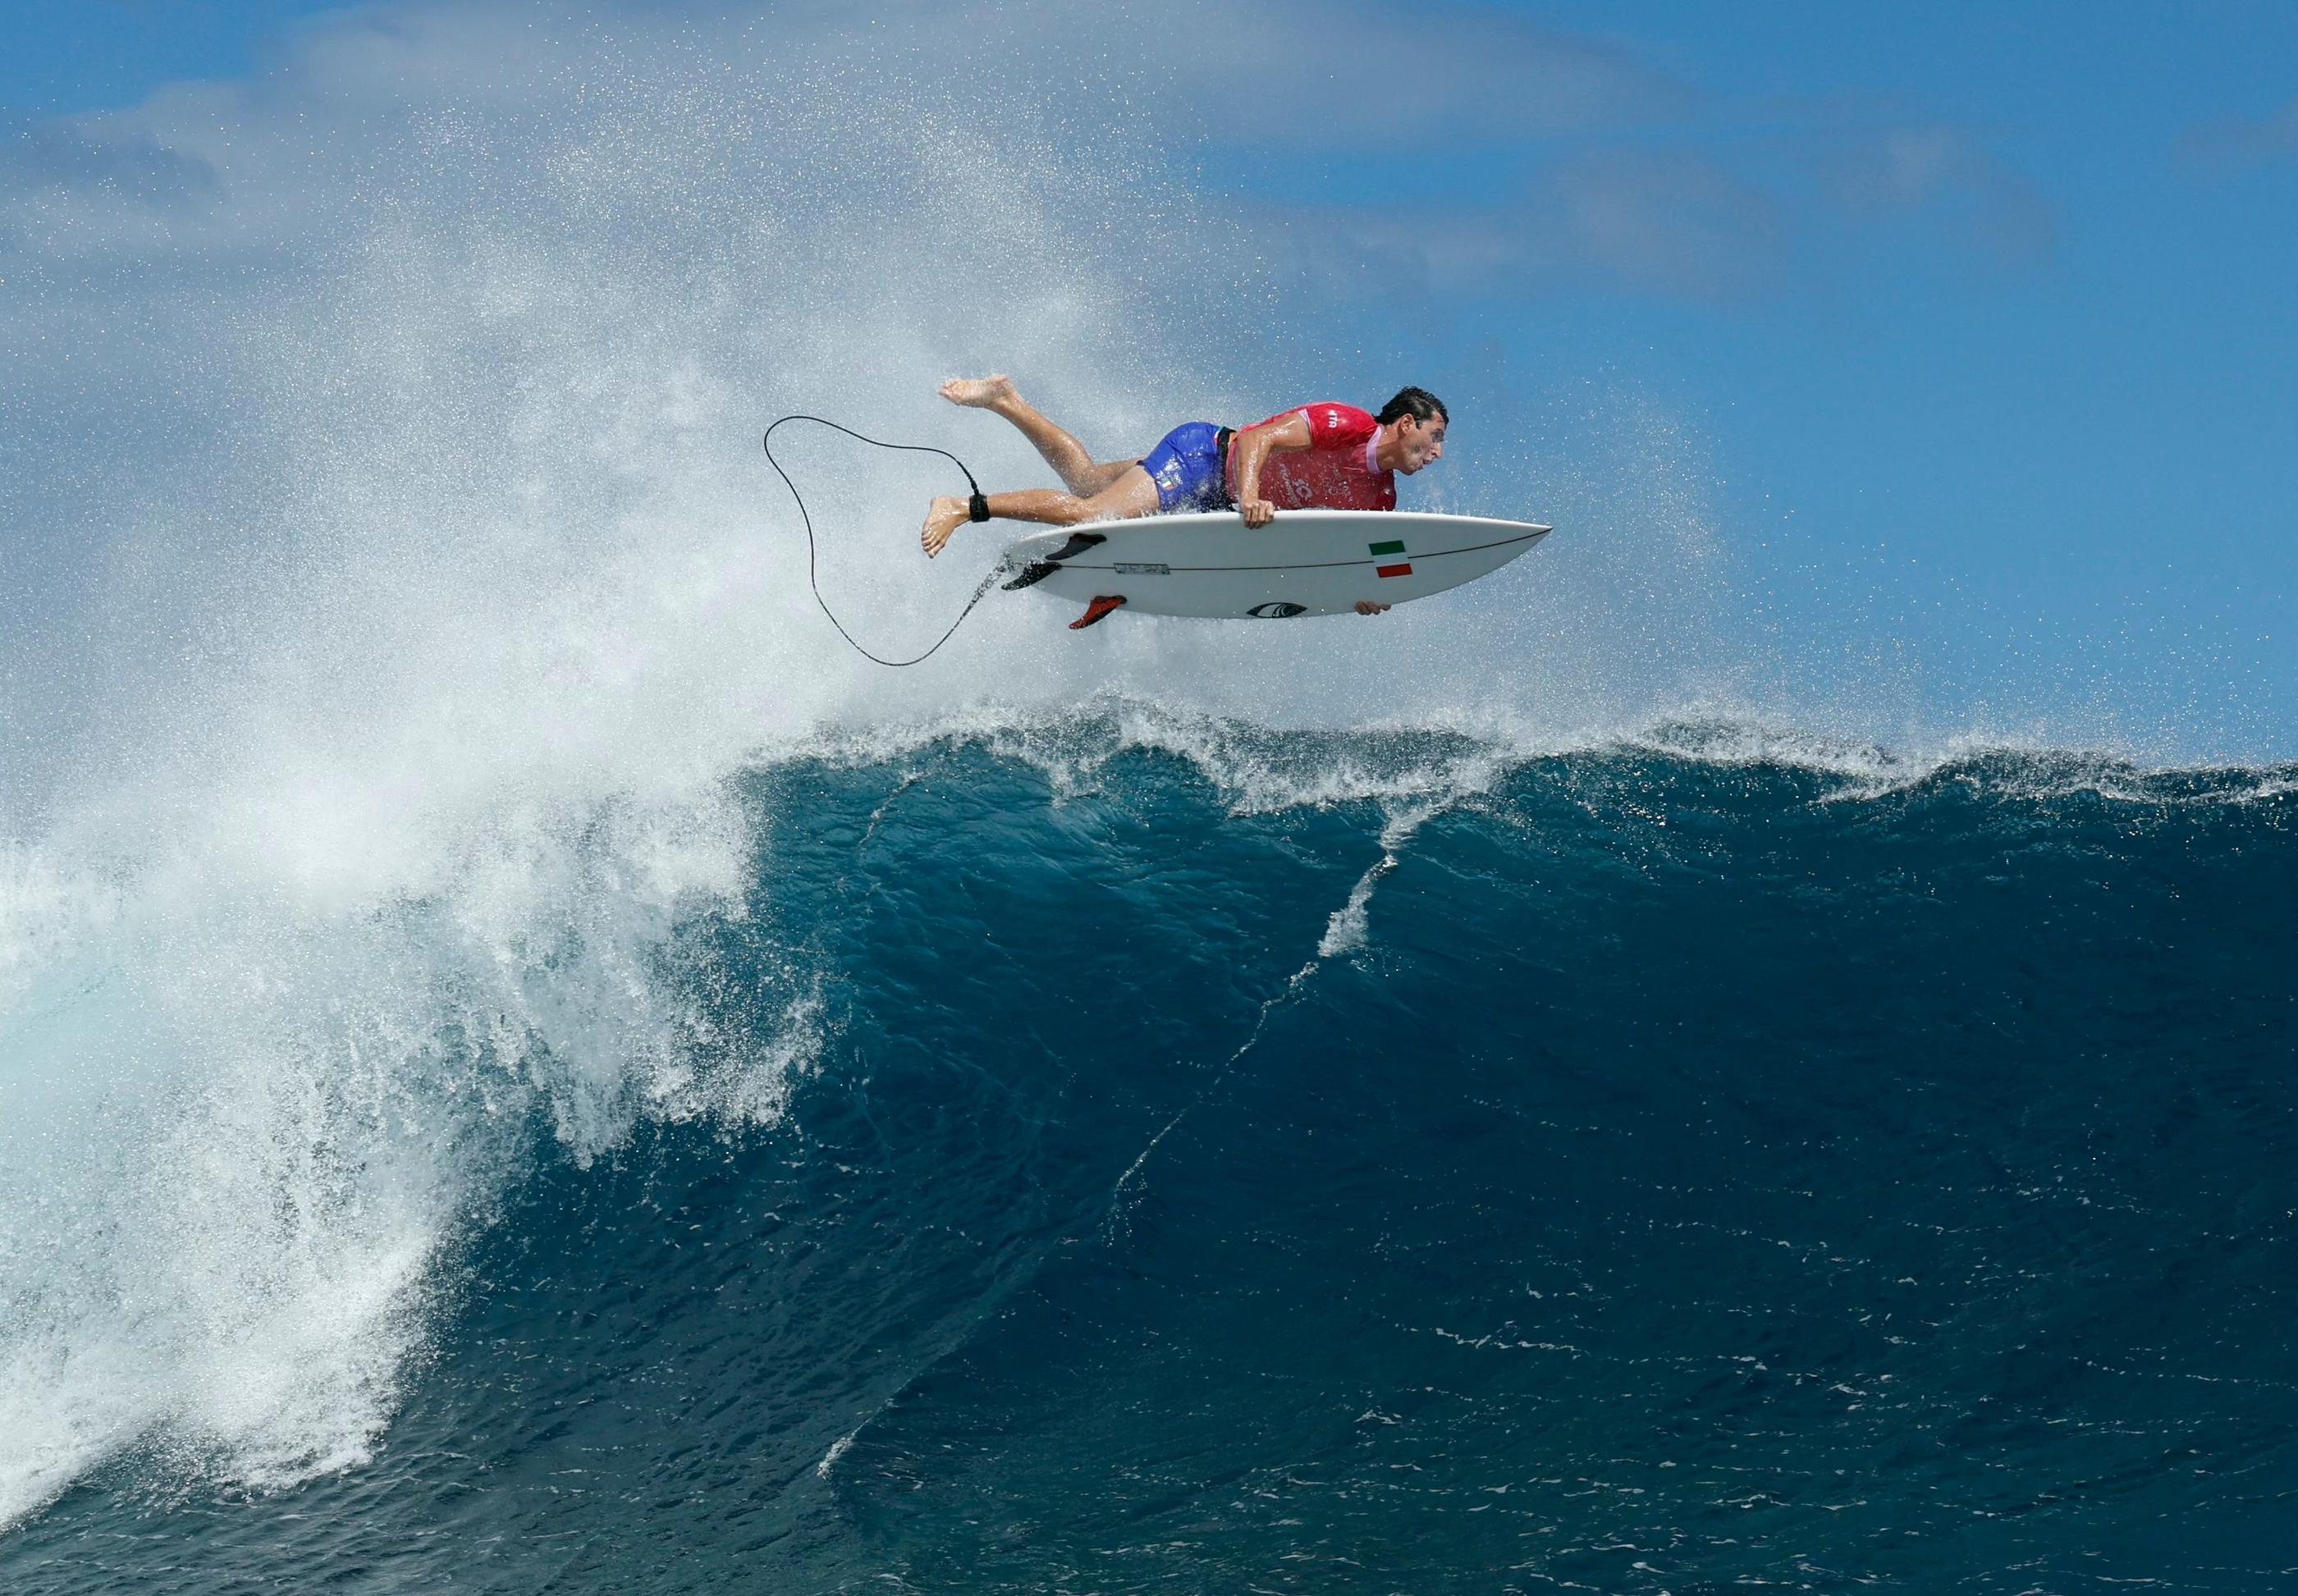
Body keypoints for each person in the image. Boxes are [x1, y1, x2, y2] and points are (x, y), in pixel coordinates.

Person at [920, 376, 1448, 616]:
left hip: (1217, 503)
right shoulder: (1348, 425)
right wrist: (1248, 499)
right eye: (1435, 437)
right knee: (1092, 513)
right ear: (1406, 424)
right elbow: (1257, 438)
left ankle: (1006, 399)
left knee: (1082, 480)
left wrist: (1356, 597)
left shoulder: (1380, 498)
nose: (1438, 451)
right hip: (1204, 460)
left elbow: (1336, 555)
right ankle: (963, 507)